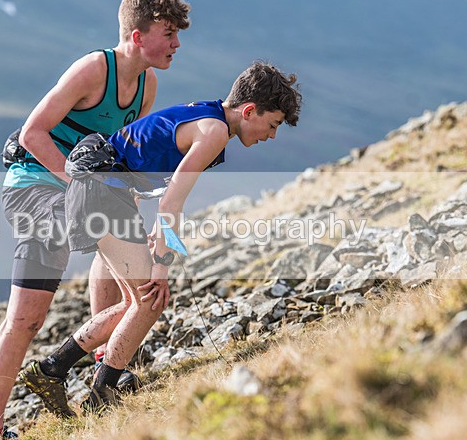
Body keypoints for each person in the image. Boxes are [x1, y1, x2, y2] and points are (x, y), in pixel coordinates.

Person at [21, 61, 302, 413]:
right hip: (103, 190)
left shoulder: (207, 115)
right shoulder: (213, 132)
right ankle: (100, 394)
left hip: (100, 189)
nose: (271, 135)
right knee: (149, 300)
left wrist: (163, 244)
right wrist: (163, 265)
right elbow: (172, 201)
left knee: (132, 303)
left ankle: (53, 370)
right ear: (249, 110)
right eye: (272, 124)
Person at [0, 0, 191, 436]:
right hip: (34, 187)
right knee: (26, 318)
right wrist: (81, 187)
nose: (176, 43)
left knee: (114, 243)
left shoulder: (146, 84)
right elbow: (34, 133)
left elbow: (119, 154)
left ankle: (100, 366)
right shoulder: (95, 69)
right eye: (168, 33)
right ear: (137, 35)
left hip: (84, 195)